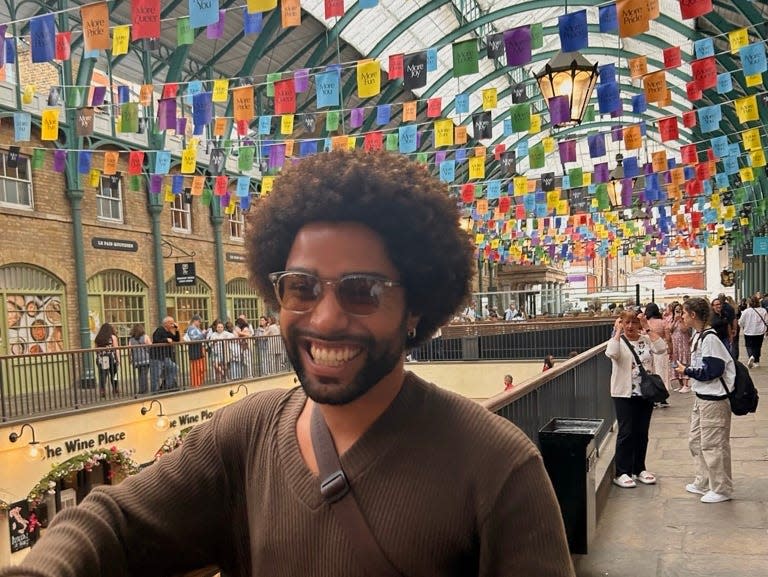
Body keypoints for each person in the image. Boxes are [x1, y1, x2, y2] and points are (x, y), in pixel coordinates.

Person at [2, 150, 575, 577]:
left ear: (415, 308)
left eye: (362, 291)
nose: (324, 319)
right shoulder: (243, 437)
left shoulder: (500, 470)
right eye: (301, 287)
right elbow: (111, 520)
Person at [674, 297, 735, 503]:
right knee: (696, 440)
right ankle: (704, 480)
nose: (681, 316)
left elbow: (714, 370)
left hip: (714, 399)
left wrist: (687, 371)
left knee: (713, 444)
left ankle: (721, 487)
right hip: (702, 397)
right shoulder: (699, 337)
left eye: (683, 313)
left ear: (692, 315)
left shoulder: (710, 339)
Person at [605, 309, 667, 488]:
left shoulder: (646, 340)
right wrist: (616, 332)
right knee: (626, 432)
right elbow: (611, 353)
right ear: (621, 323)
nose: (630, 326)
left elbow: (661, 348)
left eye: (634, 323)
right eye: (626, 323)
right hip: (623, 393)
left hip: (645, 393)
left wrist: (647, 327)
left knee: (642, 432)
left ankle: (639, 468)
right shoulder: (617, 341)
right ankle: (622, 472)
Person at [644, 302, 671, 408]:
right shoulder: (663, 322)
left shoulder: (646, 323)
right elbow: (668, 337)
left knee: (650, 373)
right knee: (662, 373)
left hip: (649, 349)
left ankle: (653, 398)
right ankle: (663, 398)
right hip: (661, 348)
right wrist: (671, 349)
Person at [150, 316, 179, 393]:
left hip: (165, 357)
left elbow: (176, 339)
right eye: (171, 323)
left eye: (173, 323)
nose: (173, 325)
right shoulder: (159, 330)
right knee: (156, 375)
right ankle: (154, 391)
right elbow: (156, 340)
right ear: (166, 324)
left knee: (174, 368)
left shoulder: (168, 332)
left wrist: (177, 330)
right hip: (157, 357)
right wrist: (166, 340)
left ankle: (167, 386)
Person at [738, 295, 768, 368]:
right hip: (760, 332)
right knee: (757, 346)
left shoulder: (746, 311)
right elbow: (767, 321)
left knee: (749, 346)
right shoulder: (763, 310)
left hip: (748, 331)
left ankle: (751, 356)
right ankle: (756, 361)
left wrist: (743, 326)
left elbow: (741, 322)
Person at [668, 302, 692, 393]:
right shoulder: (672, 319)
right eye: (676, 310)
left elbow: (684, 329)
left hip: (683, 344)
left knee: (684, 361)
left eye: (679, 310)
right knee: (676, 362)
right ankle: (681, 384)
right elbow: (670, 329)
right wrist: (675, 320)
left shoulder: (685, 319)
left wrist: (680, 320)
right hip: (675, 345)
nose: (678, 311)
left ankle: (686, 384)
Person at [94, 322, 119, 398]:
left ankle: (102, 390)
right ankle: (115, 388)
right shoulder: (112, 337)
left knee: (102, 375)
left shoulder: (98, 338)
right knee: (114, 374)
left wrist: (99, 356)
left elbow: (96, 349)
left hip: (101, 358)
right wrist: (118, 359)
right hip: (111, 357)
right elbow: (116, 349)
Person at [128, 323, 151, 395]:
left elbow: (129, 350)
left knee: (140, 374)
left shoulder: (131, 339)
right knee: (144, 374)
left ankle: (141, 389)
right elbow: (150, 346)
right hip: (145, 358)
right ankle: (144, 389)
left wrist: (130, 358)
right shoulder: (145, 337)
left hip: (137, 359)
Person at [185, 314, 207, 388]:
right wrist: (203, 334)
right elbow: (193, 338)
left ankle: (198, 383)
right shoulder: (191, 328)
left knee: (201, 368)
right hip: (194, 350)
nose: (200, 323)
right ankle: (195, 384)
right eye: (199, 321)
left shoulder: (197, 328)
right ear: (195, 321)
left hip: (199, 349)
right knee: (196, 368)